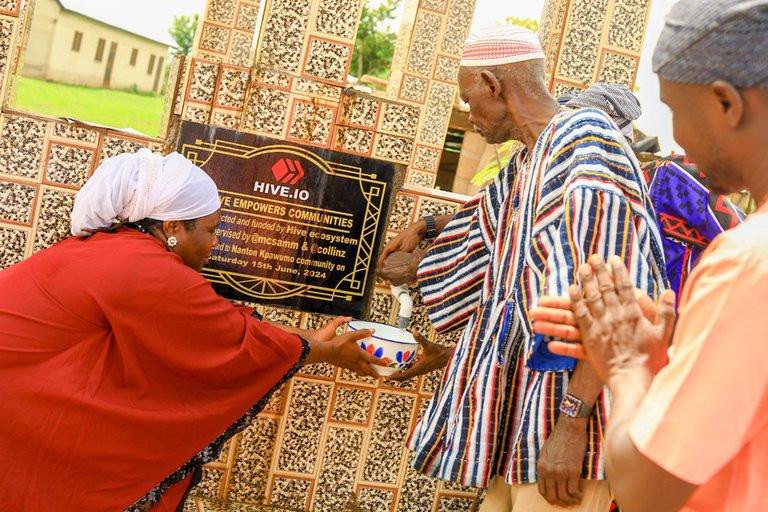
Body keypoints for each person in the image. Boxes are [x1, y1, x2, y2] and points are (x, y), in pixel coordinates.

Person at [0, 149, 384, 512]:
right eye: (212, 230)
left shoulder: (114, 248)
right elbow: (227, 337)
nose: (215, 244)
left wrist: (308, 341)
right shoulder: (144, 267)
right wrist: (323, 352)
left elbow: (215, 322)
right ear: (172, 227)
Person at [383, 26, 668, 510]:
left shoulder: (588, 146)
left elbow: (616, 302)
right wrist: (428, 228)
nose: (470, 115)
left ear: (493, 85)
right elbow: (497, 214)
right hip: (528, 427)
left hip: (572, 431)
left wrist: (572, 427)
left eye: (469, 98)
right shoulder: (533, 157)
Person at [533, 1, 768, 510]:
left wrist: (625, 365)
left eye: (676, 111)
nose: (675, 137)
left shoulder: (749, 261)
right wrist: (668, 356)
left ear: (726, 104)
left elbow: (648, 489)